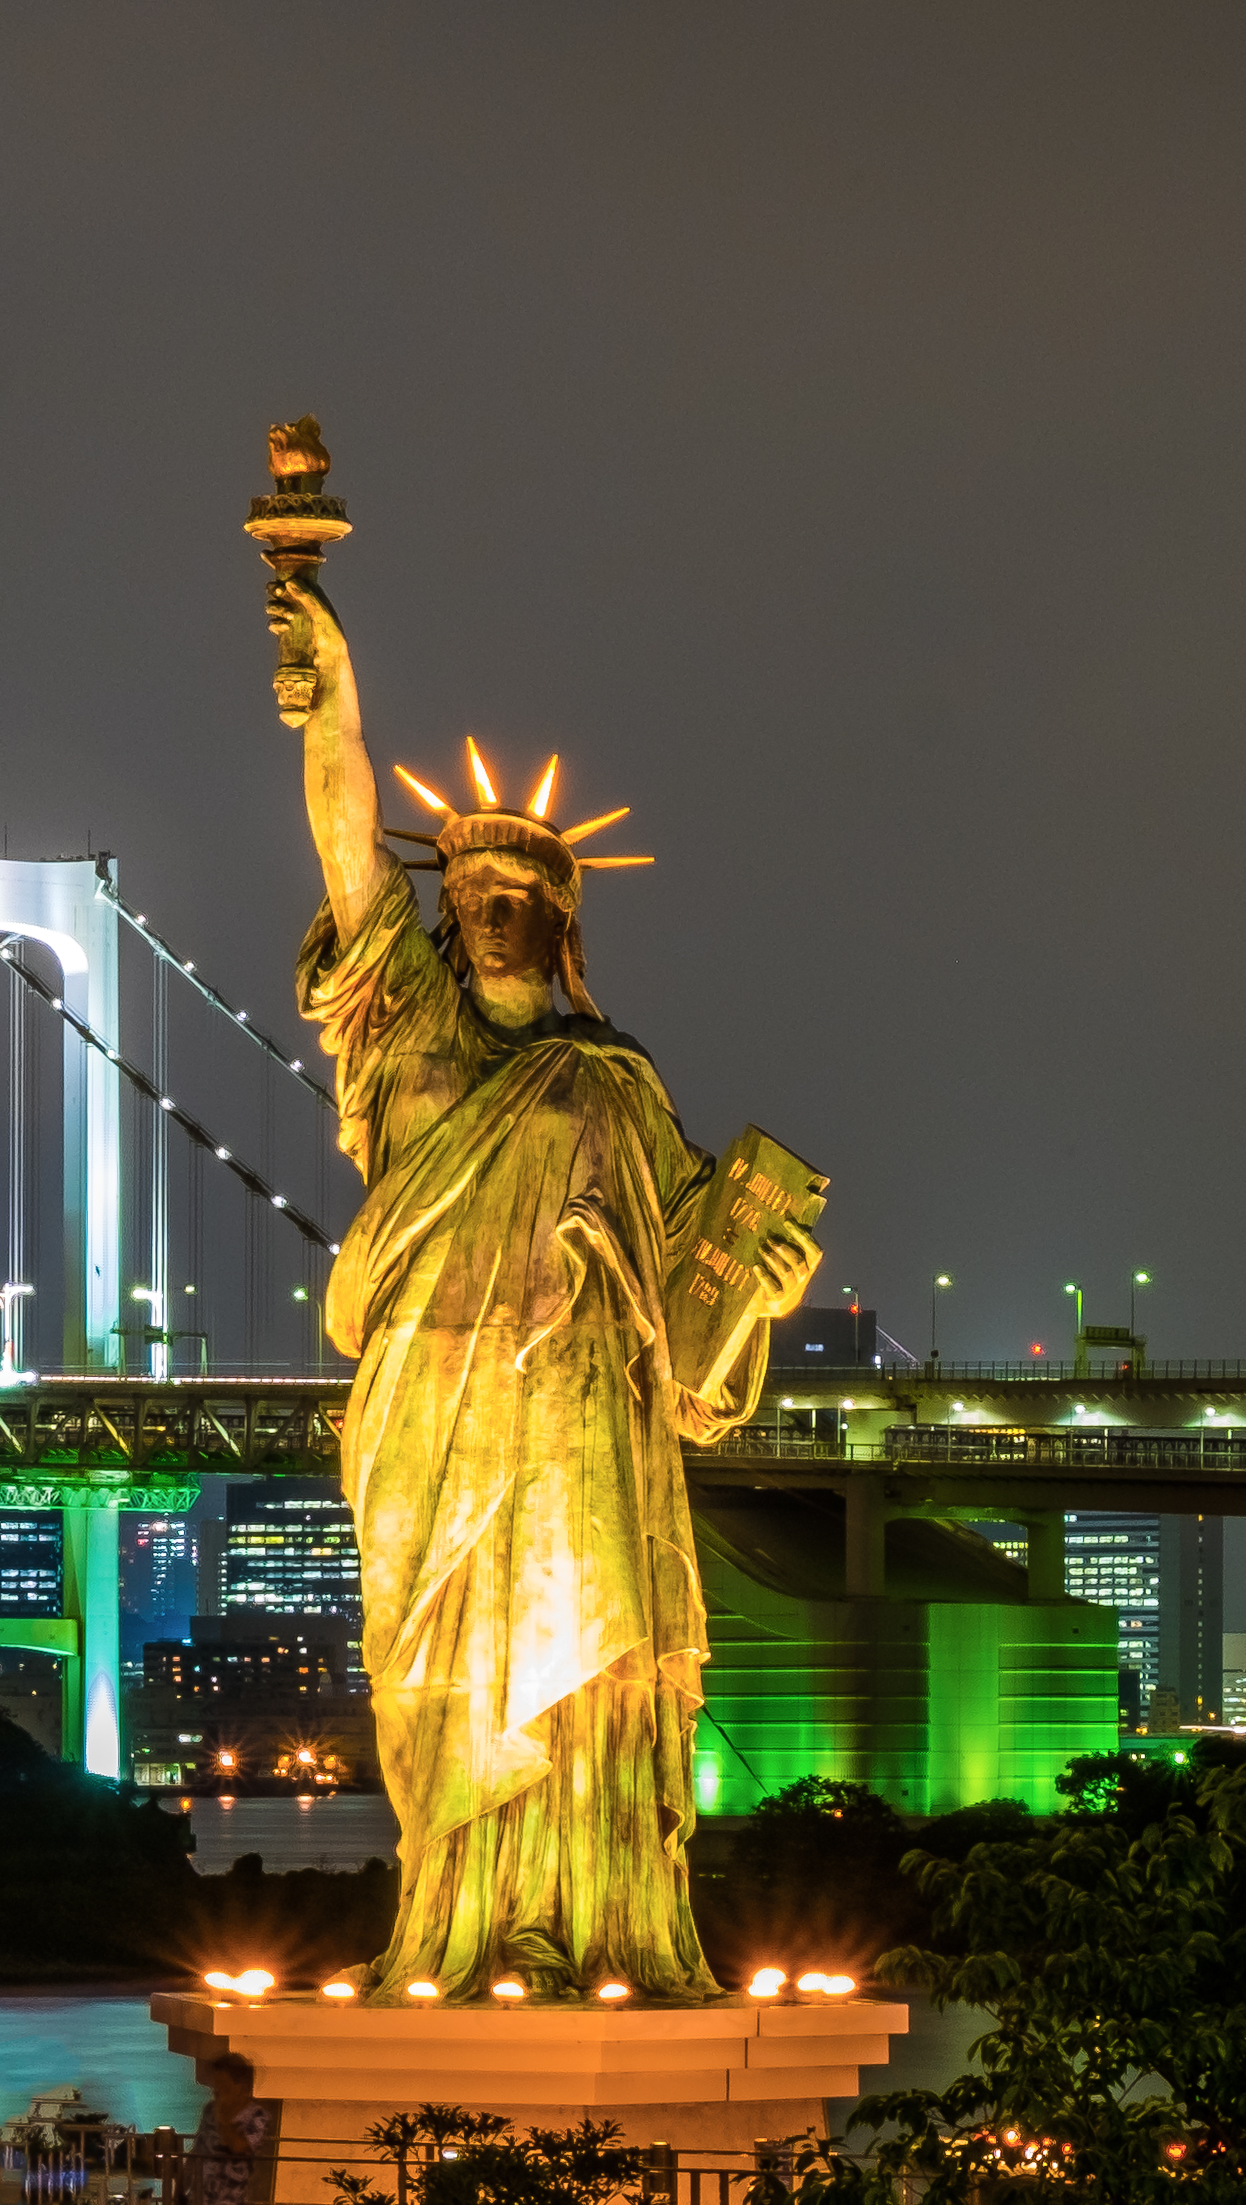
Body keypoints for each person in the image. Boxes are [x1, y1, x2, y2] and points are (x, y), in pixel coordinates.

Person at [270, 574, 809, 1999]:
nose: (495, 910)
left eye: (522, 894)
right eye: (472, 891)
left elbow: (693, 1341)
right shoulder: (403, 1030)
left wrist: (762, 1283)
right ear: (444, 911)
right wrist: (332, 695)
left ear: (563, 920)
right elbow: (343, 849)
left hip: (581, 1433)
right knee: (443, 1681)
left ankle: (594, 1925)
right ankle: (457, 1924)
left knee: (588, 1678)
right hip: (434, 1415)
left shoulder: (615, 1089)